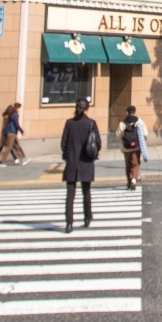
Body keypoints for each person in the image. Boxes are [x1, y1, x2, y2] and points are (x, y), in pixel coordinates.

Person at [61, 97, 100, 232]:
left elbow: (63, 144)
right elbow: (98, 143)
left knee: (70, 193)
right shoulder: (91, 124)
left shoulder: (69, 123)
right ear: (87, 108)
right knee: (86, 192)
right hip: (86, 161)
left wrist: (67, 155)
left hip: (72, 161)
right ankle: (87, 217)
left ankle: (69, 222)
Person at [120, 104, 147, 189]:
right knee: (135, 164)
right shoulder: (140, 122)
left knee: (128, 165)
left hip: (126, 147)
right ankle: (134, 180)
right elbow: (145, 134)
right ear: (134, 112)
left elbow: (118, 134)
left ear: (127, 112)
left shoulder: (122, 123)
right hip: (136, 147)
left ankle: (129, 181)